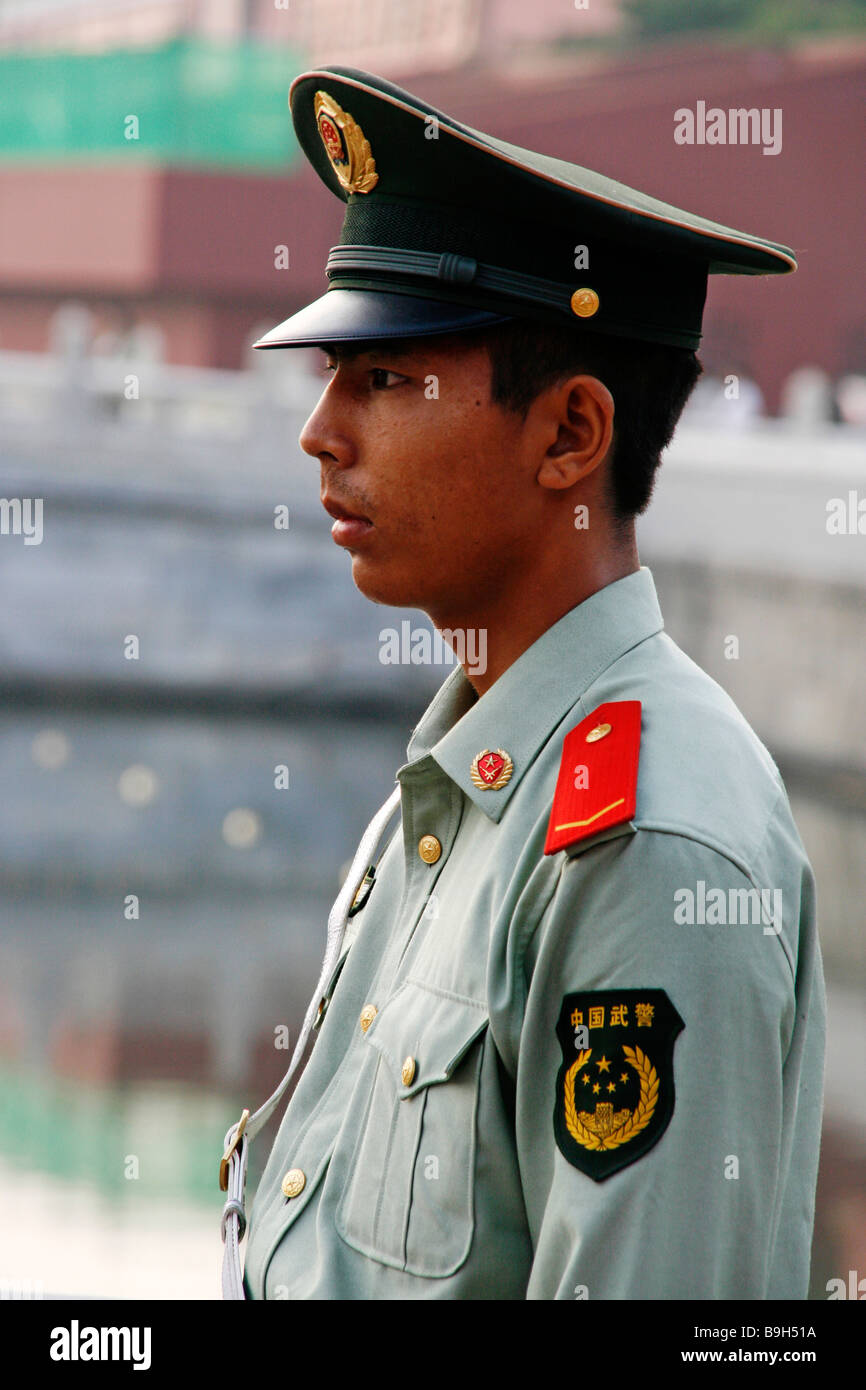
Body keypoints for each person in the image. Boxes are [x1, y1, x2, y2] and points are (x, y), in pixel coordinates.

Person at [219, 65, 825, 1300]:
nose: (319, 430)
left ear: (568, 435)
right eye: (331, 376)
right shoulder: (455, 789)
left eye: (384, 380)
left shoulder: (644, 842)